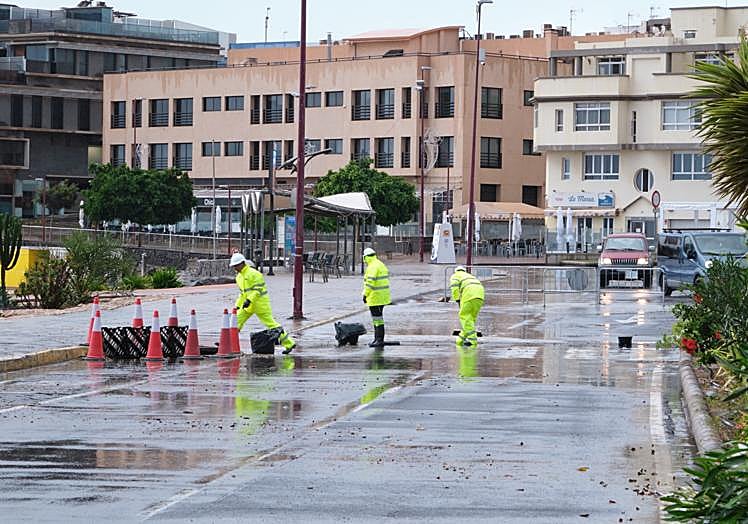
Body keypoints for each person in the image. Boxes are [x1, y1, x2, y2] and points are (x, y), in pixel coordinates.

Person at [229, 253, 296, 354]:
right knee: (236, 322)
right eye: (233, 266)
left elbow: (258, 290)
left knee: (271, 325)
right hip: (248, 305)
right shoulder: (239, 277)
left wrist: (249, 300)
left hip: (260, 304)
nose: (234, 268)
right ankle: (230, 344)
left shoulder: (254, 274)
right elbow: (243, 293)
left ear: (242, 263)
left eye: (236, 265)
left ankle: (289, 343)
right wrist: (237, 306)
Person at [362, 247, 391, 347]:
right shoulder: (379, 264)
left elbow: (370, 283)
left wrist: (365, 294)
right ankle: (378, 338)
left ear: (365, 257)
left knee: (377, 319)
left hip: (375, 297)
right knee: (378, 318)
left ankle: (379, 339)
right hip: (382, 297)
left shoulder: (372, 267)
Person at [449, 265, 485, 347]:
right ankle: (460, 339)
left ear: (456, 271)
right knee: (470, 319)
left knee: (464, 316)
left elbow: (454, 289)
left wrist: (457, 299)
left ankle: (473, 340)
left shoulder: (455, 276)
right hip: (480, 295)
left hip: (469, 295)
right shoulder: (469, 276)